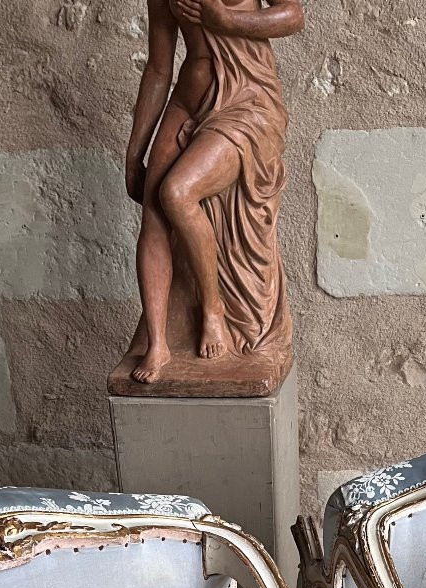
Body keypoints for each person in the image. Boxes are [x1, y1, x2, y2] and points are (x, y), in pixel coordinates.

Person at [125, 0, 303, 383]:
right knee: (153, 215)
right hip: (189, 99)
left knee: (176, 193)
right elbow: (159, 69)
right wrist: (134, 151)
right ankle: (157, 342)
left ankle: (213, 311)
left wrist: (226, 18)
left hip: (249, 101)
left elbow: (293, 15)